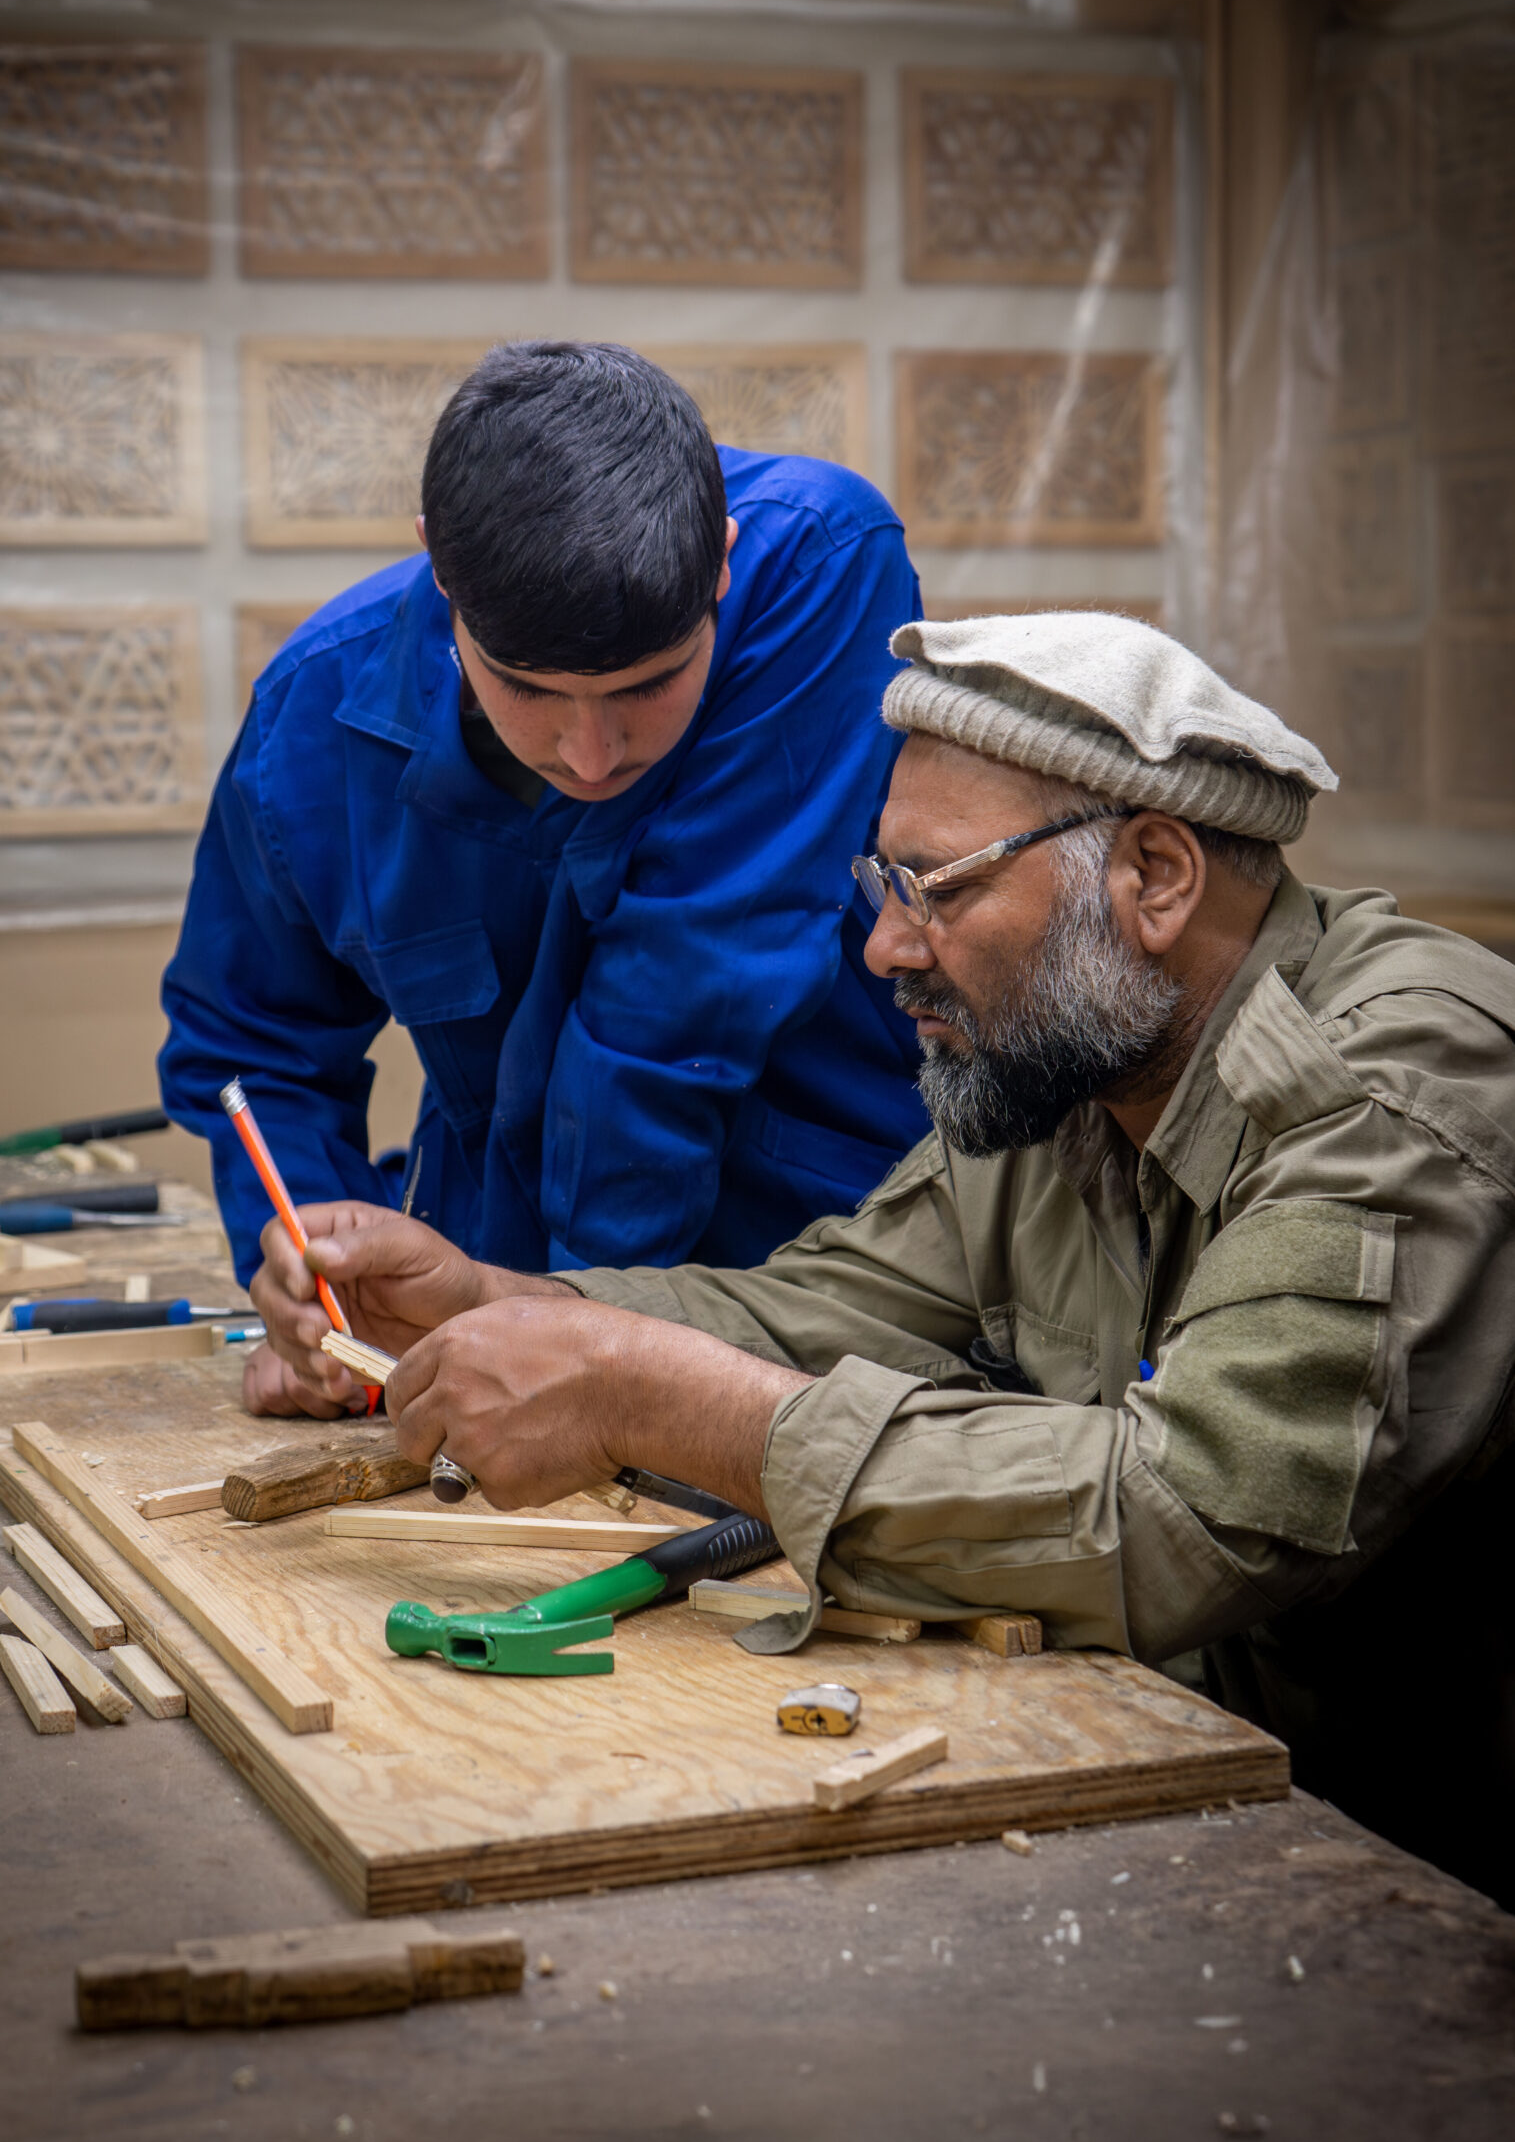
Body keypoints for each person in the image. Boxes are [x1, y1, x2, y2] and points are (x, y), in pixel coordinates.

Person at [249, 612, 1515, 1905]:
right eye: (881, 887)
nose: (886, 948)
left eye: (939, 889)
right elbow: (829, 1307)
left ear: (1152, 877)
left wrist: (647, 1396)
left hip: (1406, 1875)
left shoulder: (1392, 1090)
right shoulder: (1074, 1064)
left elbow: (1186, 1513)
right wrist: (491, 1306)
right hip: (1196, 1784)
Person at [159, 341, 927, 1415]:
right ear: (440, 569)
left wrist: (567, 1343)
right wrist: (323, 1279)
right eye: (528, 690)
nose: (594, 753)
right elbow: (251, 1046)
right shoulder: (310, 723)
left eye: (652, 684)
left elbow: (682, 992)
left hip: (832, 1259)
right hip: (499, 1272)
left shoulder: (818, 561)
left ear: (722, 568)